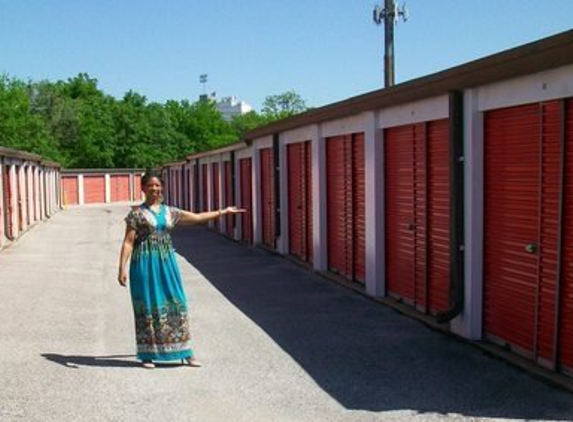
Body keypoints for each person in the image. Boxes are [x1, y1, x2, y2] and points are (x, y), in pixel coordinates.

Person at [118, 169, 245, 369]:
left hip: (167, 263)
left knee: (177, 302)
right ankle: (147, 354)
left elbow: (197, 218)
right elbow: (128, 242)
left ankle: (185, 352)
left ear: (162, 188)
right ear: (143, 188)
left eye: (157, 185)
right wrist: (121, 269)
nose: (154, 188)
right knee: (149, 305)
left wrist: (223, 212)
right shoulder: (136, 214)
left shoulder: (171, 212)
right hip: (144, 264)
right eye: (150, 185)